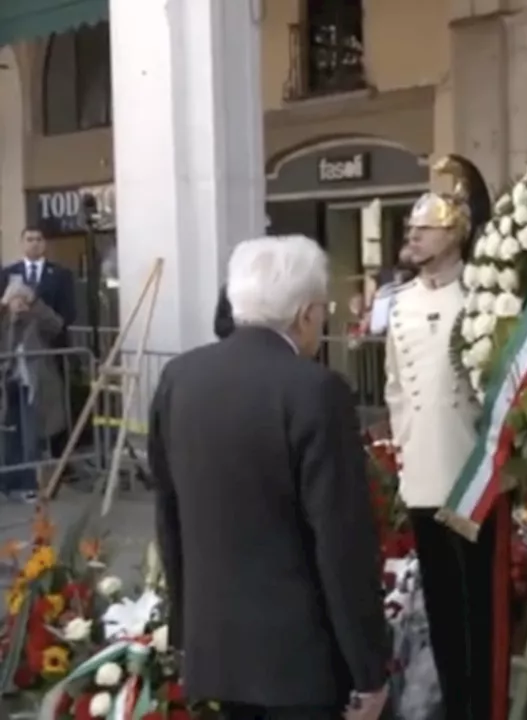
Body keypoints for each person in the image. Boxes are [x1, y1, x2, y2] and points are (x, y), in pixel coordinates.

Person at [148, 235, 391, 720]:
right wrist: (369, 669)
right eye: (324, 310)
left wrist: (185, 633)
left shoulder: (180, 377)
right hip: (300, 664)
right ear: (305, 314)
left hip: (216, 648)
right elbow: (341, 542)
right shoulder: (316, 389)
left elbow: (168, 515)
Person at [384, 154, 510, 720]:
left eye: (426, 226)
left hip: (470, 471)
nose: (413, 233)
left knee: (477, 603)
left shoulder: (482, 296)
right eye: (412, 227)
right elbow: (393, 387)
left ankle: (482, 705)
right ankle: (453, 703)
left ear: (455, 233)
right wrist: (404, 443)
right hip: (422, 475)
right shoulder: (400, 303)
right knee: (439, 601)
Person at [0, 284, 67, 502]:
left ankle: (29, 485)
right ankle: (9, 483)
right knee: (9, 437)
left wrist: (36, 305)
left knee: (30, 438)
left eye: (23, 299)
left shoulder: (36, 319)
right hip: (8, 386)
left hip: (32, 387)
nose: (19, 304)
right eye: (15, 299)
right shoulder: (4, 321)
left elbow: (57, 326)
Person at [2, 227, 76, 347]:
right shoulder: (7, 273)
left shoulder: (61, 273)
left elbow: (68, 312)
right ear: (22, 243)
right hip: (14, 344)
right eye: (30, 240)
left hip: (48, 344)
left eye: (38, 239)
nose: (34, 244)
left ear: (44, 243)